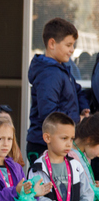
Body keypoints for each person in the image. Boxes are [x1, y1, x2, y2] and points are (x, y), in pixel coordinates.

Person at [27, 18, 90, 164]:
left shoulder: (61, 69)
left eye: (73, 45)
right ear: (52, 44)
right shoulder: (49, 74)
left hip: (57, 143)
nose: (72, 50)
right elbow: (49, 113)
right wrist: (76, 119)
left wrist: (84, 108)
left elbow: (77, 90)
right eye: (68, 45)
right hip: (44, 145)